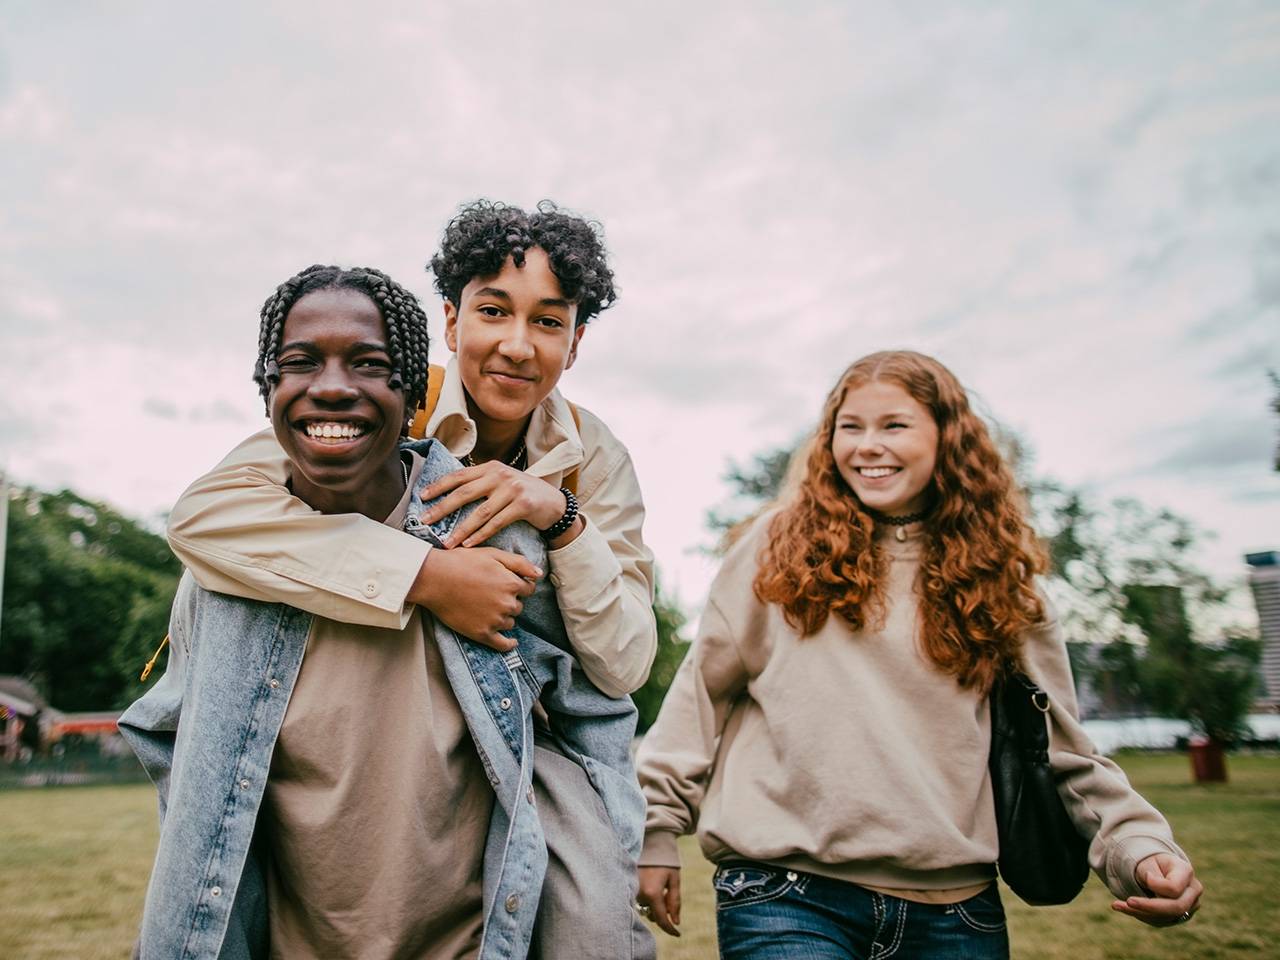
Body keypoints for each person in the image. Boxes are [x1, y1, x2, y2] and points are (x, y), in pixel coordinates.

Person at [163, 201, 658, 957]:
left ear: (577, 340)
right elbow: (206, 517)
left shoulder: (594, 456)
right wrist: (427, 573)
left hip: (531, 723)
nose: (518, 346)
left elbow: (622, 662)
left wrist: (557, 514)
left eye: (549, 322)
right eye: (494, 311)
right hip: (371, 697)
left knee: (594, 920)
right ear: (453, 322)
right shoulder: (379, 391)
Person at [634, 350, 1203, 959]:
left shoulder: (1001, 579)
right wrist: (656, 829)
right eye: (850, 428)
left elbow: (1061, 750)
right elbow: (699, 698)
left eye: (894, 426)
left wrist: (1140, 848)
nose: (867, 446)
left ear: (946, 436)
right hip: (784, 895)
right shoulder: (775, 550)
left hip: (956, 914)